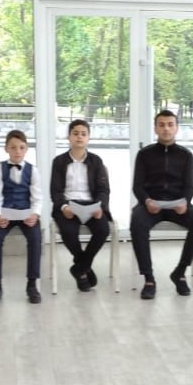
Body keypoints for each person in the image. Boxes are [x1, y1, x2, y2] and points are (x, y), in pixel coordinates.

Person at [130, 109, 193, 300]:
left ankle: (180, 272)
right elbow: (137, 186)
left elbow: (189, 187)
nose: (166, 129)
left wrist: (185, 202)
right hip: (151, 204)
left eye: (170, 125)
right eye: (162, 125)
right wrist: (147, 201)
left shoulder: (186, 155)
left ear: (176, 128)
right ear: (156, 128)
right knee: (137, 223)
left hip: (177, 205)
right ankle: (149, 279)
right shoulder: (144, 154)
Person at [51, 119, 111, 291]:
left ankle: (79, 268)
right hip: (68, 205)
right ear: (69, 137)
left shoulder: (96, 161)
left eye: (83, 134)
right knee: (69, 232)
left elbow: (103, 189)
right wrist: (64, 207)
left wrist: (100, 206)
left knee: (103, 230)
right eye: (75, 133)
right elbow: (55, 191)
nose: (79, 137)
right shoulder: (59, 161)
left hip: (91, 205)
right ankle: (83, 268)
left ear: (88, 138)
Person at [0, 129, 42, 305]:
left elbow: (37, 198)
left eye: (21, 147)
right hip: (5, 213)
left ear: (26, 149)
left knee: (35, 238)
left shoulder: (33, 171)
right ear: (6, 149)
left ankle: (32, 284)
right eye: (13, 147)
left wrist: (34, 214)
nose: (17, 151)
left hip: (26, 214)